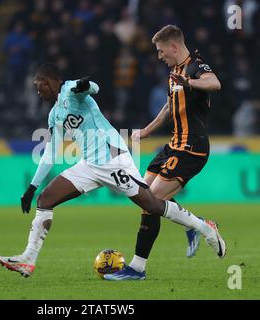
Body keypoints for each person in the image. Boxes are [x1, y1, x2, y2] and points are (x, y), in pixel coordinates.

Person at [0, 63, 225, 279]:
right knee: (45, 199)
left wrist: (86, 85)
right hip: (89, 165)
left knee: (152, 205)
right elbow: (51, 151)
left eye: (39, 85)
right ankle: (28, 259)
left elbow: (92, 88)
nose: (38, 91)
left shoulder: (72, 89)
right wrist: (32, 187)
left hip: (113, 159)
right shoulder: (55, 113)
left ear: (50, 80)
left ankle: (204, 228)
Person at [106, 25, 222, 281]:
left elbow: (215, 84)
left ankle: (139, 267)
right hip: (173, 145)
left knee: (153, 200)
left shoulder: (195, 67)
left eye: (160, 51)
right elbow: (170, 107)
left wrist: (189, 82)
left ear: (173, 46)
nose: (159, 56)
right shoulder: (174, 73)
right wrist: (146, 130)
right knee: (140, 195)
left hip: (192, 148)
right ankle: (192, 224)